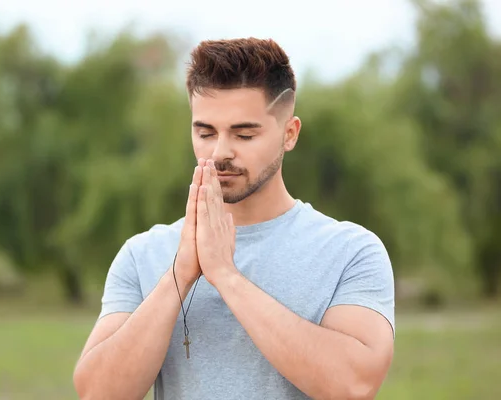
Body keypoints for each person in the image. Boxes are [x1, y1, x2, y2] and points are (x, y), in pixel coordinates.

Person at [73, 37, 395, 400]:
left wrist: (225, 276)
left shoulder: (351, 252)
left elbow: (354, 385)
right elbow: (97, 393)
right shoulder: (142, 254)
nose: (220, 152)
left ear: (289, 134)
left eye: (244, 134)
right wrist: (180, 276)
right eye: (205, 132)